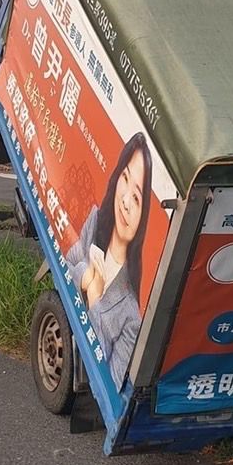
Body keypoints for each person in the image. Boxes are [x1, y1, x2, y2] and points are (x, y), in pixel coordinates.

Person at [65, 133, 153, 389]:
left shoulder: (131, 314)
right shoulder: (95, 222)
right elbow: (66, 263)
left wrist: (94, 298)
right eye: (124, 178)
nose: (125, 201)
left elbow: (110, 381)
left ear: (144, 211)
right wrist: (85, 276)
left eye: (136, 198)